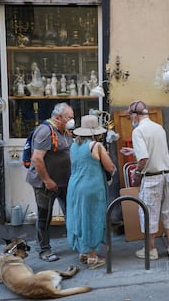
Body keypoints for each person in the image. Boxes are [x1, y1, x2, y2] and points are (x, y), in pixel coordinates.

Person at [120, 101, 169, 261]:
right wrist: (134, 150)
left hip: (152, 178)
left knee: (148, 213)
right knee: (168, 211)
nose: (130, 119)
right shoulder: (158, 127)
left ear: (135, 115)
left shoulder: (138, 131)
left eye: (130, 116)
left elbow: (144, 158)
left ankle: (151, 249)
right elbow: (156, 151)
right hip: (168, 175)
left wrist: (137, 172)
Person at [26, 102, 75, 262]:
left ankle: (76, 243)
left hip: (64, 182)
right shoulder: (45, 131)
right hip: (45, 184)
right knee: (44, 217)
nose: (72, 120)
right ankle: (43, 250)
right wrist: (47, 180)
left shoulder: (65, 130)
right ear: (59, 117)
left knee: (72, 213)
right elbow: (37, 159)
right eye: (69, 117)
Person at [66, 115, 116, 269]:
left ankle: (83, 252)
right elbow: (110, 168)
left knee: (79, 217)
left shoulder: (74, 145)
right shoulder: (96, 146)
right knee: (92, 218)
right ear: (96, 132)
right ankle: (92, 257)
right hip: (92, 187)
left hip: (74, 186)